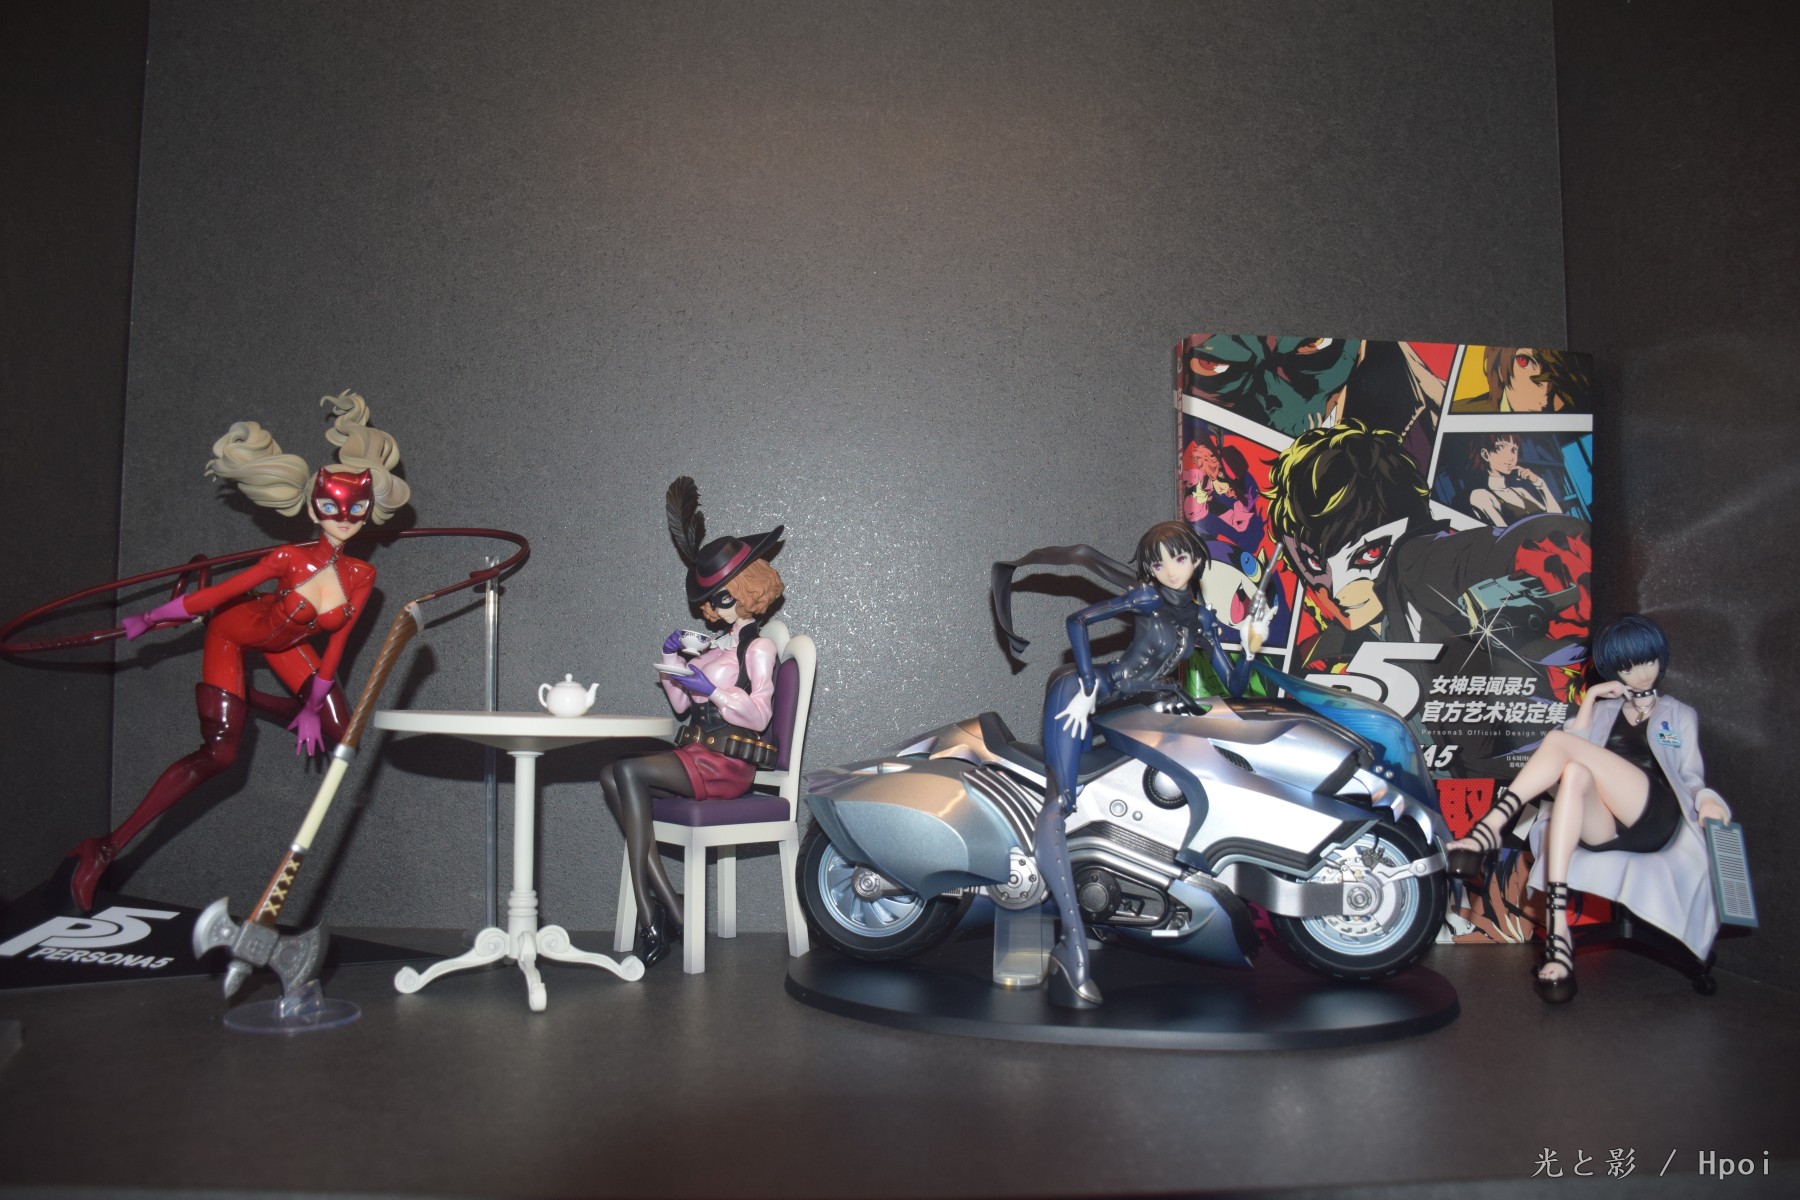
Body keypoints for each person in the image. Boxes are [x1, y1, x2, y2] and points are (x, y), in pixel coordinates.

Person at [65, 392, 410, 911]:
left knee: (342, 730)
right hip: (236, 633)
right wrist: (151, 618)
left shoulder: (363, 574)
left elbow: (337, 643)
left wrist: (313, 707)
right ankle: (104, 848)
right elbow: (220, 596)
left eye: (356, 508)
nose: (344, 517)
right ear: (312, 506)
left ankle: (258, 702)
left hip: (288, 644)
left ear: (370, 510)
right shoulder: (287, 558)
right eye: (331, 506)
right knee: (220, 755)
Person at [992, 521, 1249, 1007]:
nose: (1168, 569)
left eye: (1178, 558)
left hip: (1140, 705)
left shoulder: (1199, 615)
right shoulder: (1147, 598)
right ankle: (1071, 946)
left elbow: (1234, 682)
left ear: (1196, 559)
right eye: (1157, 561)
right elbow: (1078, 622)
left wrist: (1251, 643)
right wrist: (1089, 683)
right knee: (1061, 801)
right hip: (1084, 695)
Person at [1445, 614, 1731, 1003]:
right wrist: (1593, 698)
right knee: (1576, 771)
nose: (1641, 674)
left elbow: (1690, 775)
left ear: (1660, 658)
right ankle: (1559, 930)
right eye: (1627, 667)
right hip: (1607, 827)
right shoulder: (1604, 712)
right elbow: (1570, 753)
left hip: (1656, 818)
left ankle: (1489, 828)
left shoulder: (1678, 714)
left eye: (1647, 661)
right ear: (1614, 671)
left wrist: (1707, 798)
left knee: (1562, 747)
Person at [601, 477, 784, 967]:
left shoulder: (758, 648)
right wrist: (672, 661)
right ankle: (671, 906)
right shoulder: (714, 648)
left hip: (727, 763)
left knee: (628, 770)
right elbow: (682, 708)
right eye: (711, 600)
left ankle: (652, 913)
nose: (714, 608)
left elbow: (761, 713)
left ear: (746, 591)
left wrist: (716, 690)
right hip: (695, 753)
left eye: (723, 597)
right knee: (610, 773)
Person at [1465, 433, 1562, 527]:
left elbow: (1557, 519)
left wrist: (1540, 483)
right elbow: (1505, 535)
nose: (1511, 457)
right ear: (1486, 454)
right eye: (1501, 447)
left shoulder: (1520, 492)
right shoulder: (1481, 495)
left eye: (1514, 450)